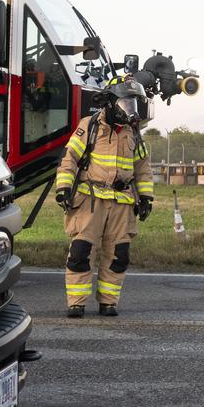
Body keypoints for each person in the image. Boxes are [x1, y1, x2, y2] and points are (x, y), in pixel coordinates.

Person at [54, 75, 155, 316]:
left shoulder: (134, 133)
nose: (129, 109)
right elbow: (70, 159)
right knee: (81, 252)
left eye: (133, 103)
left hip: (122, 203)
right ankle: (76, 303)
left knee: (118, 254)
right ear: (110, 103)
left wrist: (146, 198)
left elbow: (143, 168)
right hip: (89, 200)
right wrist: (63, 188)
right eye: (125, 103)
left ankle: (108, 301)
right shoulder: (89, 126)